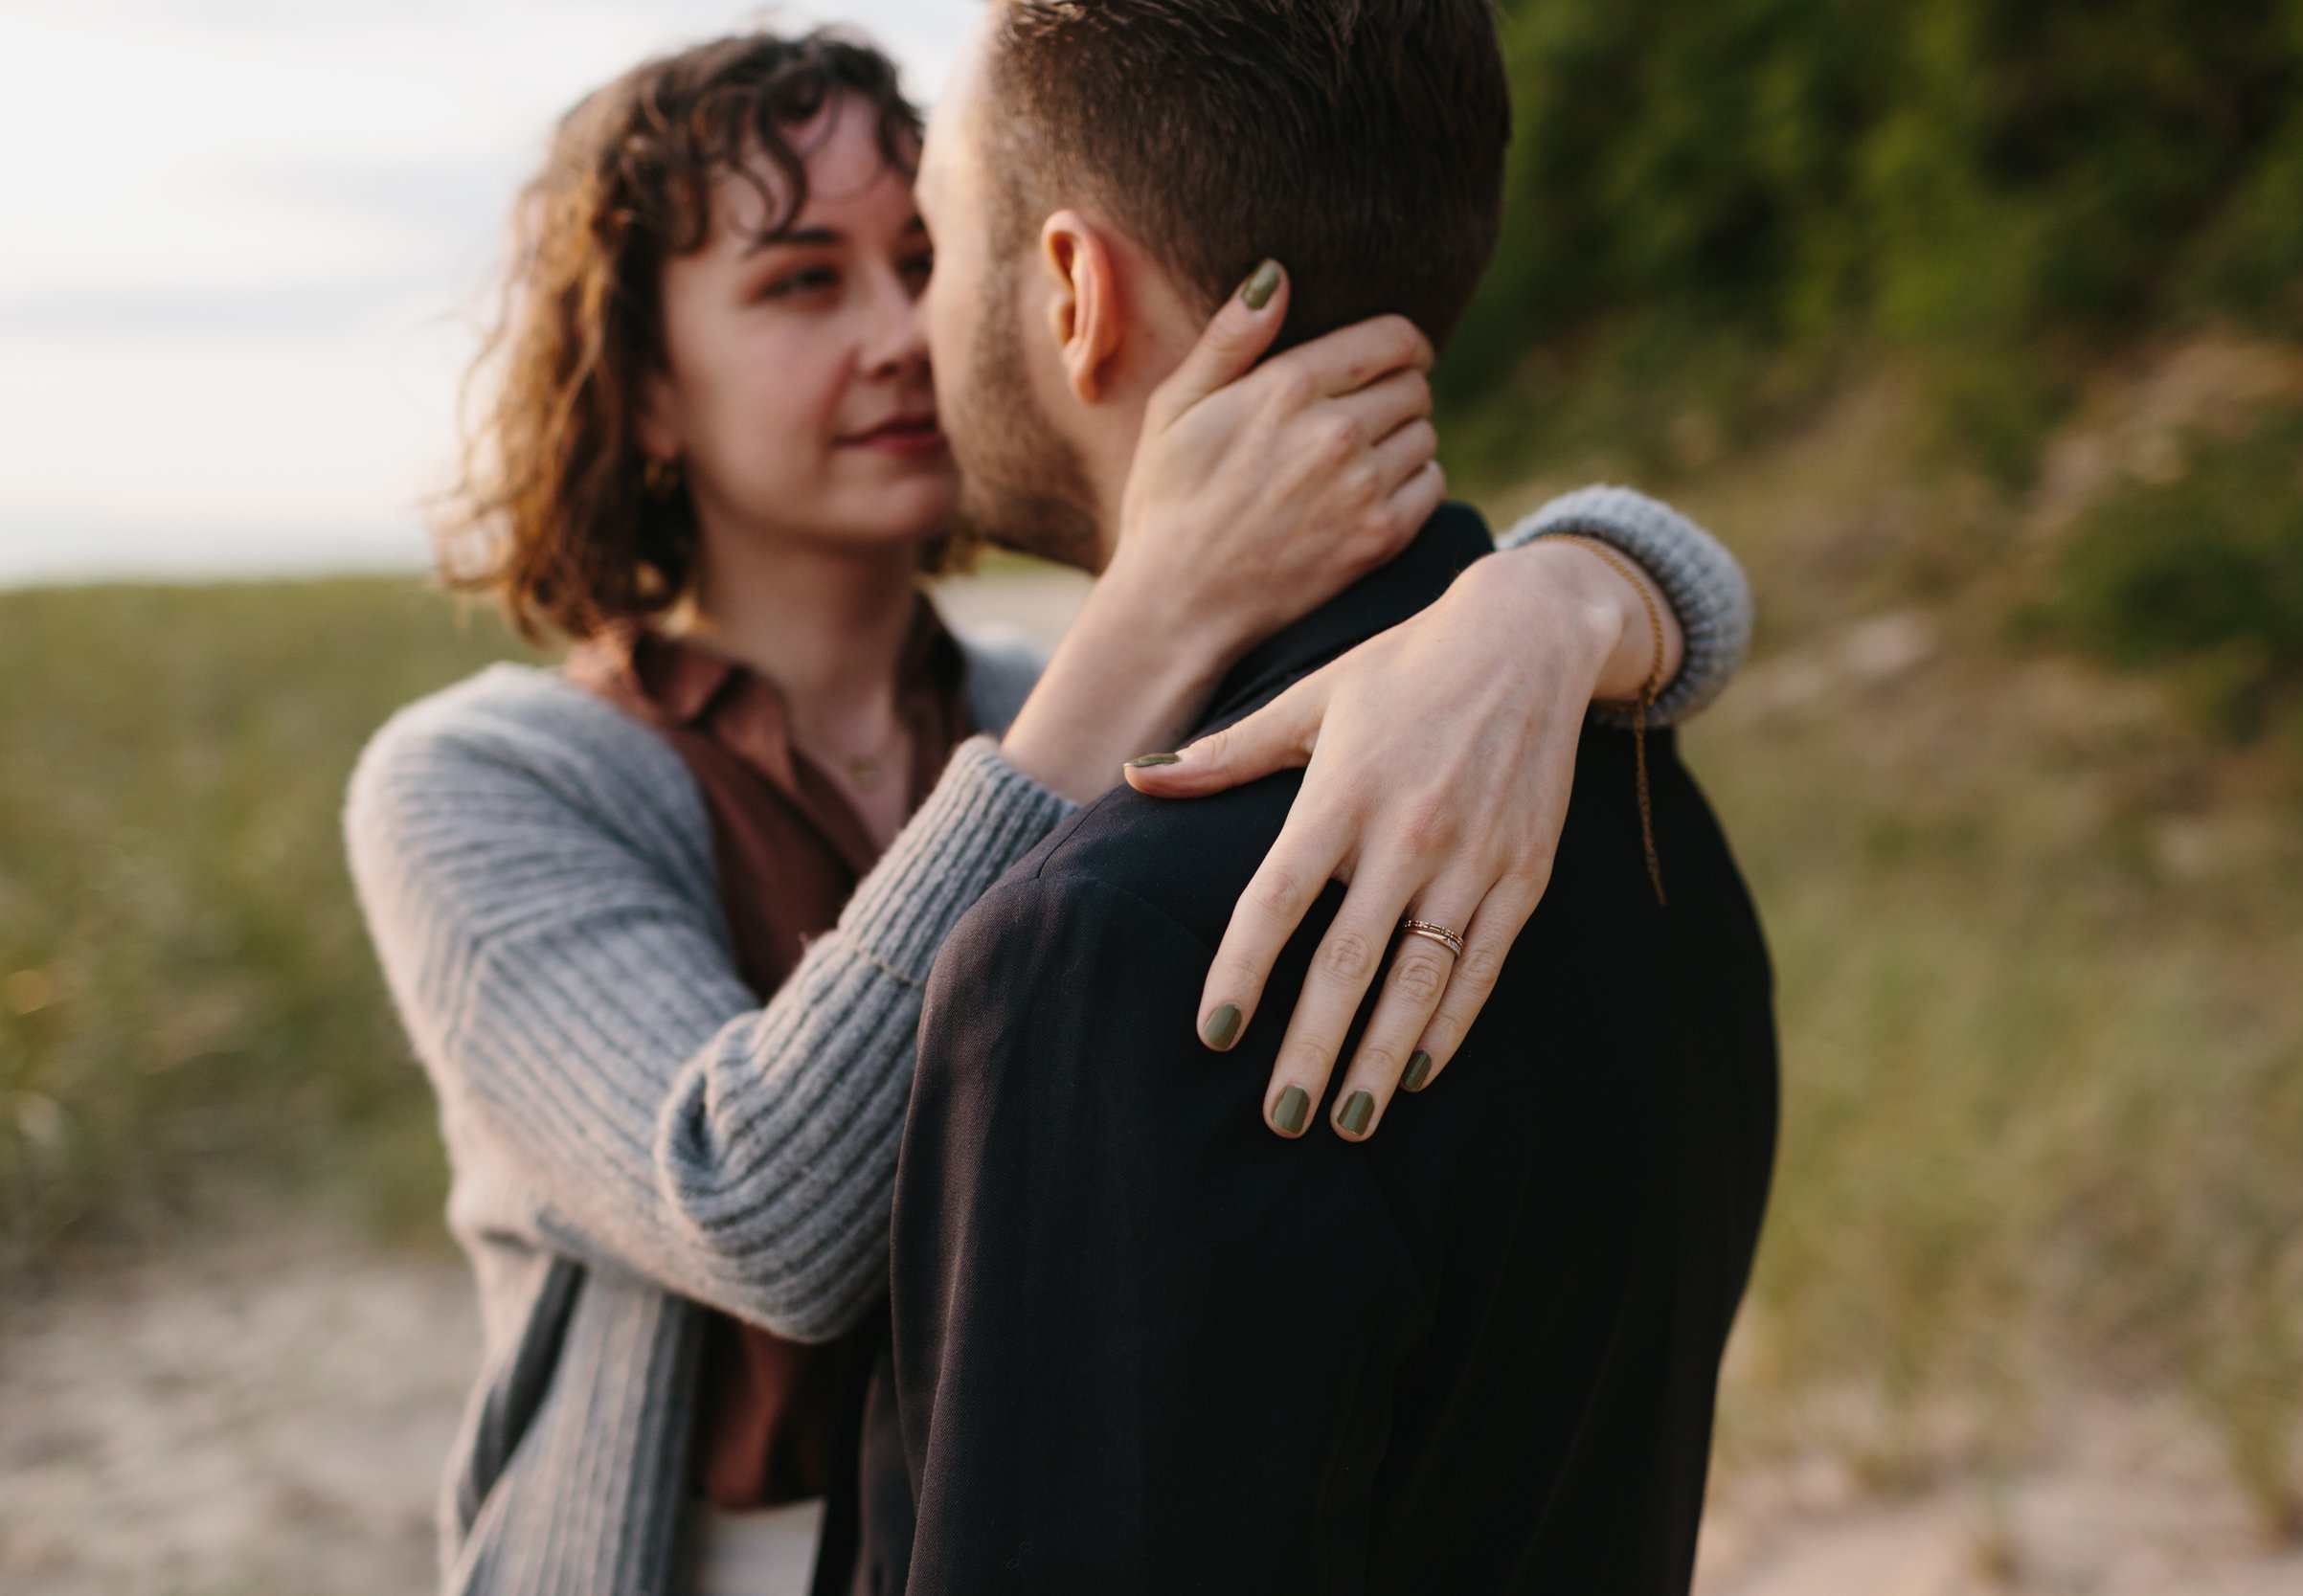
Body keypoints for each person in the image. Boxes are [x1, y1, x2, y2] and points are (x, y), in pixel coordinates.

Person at [343, 27, 1752, 1596]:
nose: (896, 332)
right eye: (804, 281)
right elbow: (754, 1216)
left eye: (924, 255)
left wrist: (1555, 598)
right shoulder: (482, 781)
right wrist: (1154, 610)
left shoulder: (1061, 713)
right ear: (644, 388)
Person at [883, 4, 1778, 1592]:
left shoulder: (1111, 948)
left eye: (936, 244)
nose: (910, 321)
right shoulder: (1650, 803)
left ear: (1075, 292)